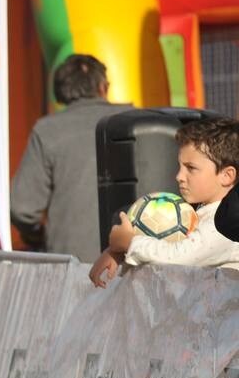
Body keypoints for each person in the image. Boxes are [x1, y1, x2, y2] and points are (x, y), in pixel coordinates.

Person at [89, 117, 239, 286]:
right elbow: (162, 249)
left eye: (191, 168)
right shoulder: (196, 213)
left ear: (226, 176)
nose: (179, 177)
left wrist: (129, 243)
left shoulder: (228, 225)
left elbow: (178, 257)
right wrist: (118, 252)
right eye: (179, 167)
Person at [11, 54, 132, 263]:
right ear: (103, 87)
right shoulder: (135, 120)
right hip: (133, 262)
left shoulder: (47, 130)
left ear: (60, 93)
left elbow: (22, 208)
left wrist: (37, 234)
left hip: (73, 265)